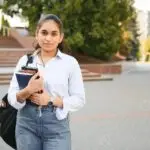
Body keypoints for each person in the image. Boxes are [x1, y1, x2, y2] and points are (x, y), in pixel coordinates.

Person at [8, 14, 85, 150]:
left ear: (60, 37)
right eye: (44, 33)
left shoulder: (70, 63)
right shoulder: (25, 61)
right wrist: (28, 90)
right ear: (37, 34)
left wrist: (50, 100)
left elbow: (79, 99)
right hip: (26, 125)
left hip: (56, 127)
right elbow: (11, 97)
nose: (48, 38)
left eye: (54, 34)